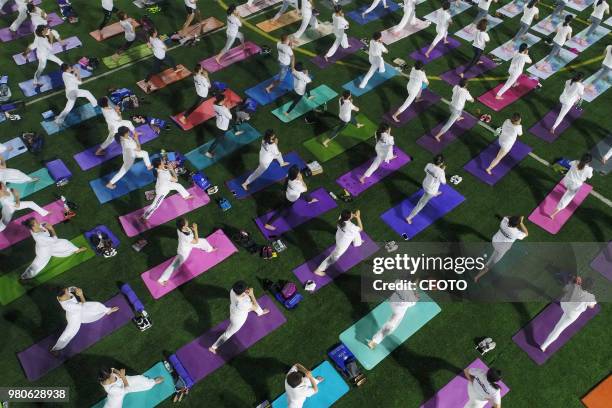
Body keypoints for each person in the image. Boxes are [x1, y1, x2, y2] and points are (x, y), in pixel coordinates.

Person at [50, 287, 119, 355]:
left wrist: (76, 289)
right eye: (66, 291)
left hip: (79, 311)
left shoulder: (62, 294)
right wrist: (81, 295)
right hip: (74, 318)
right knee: (68, 334)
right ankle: (56, 349)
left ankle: (108, 310)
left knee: (96, 305)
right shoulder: (68, 305)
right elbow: (85, 305)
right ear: (63, 295)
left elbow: (71, 288)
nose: (68, 291)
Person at [209, 281, 270, 354]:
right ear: (242, 292)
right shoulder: (244, 303)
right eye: (245, 289)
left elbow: (241, 296)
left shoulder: (232, 291)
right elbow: (255, 306)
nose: (247, 289)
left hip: (234, 310)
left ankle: (260, 312)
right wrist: (252, 295)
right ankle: (213, 347)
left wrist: (245, 293)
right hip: (238, 319)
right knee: (228, 333)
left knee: (249, 306)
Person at [540, 276, 597, 352]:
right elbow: (592, 306)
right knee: (558, 329)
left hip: (564, 305)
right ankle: (543, 346)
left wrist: (575, 282)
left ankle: (544, 346)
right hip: (571, 315)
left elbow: (566, 288)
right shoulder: (589, 297)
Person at [20, 218, 87, 280]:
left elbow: (42, 224)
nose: (38, 222)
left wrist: (45, 224)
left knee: (65, 242)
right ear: (33, 226)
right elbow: (55, 239)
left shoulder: (34, 228)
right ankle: (25, 276)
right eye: (36, 222)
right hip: (44, 253)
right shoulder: (39, 237)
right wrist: (51, 229)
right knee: (37, 266)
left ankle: (77, 250)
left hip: (48, 245)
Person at [157, 217, 215, 285]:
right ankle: (161, 280)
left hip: (188, 243)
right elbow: (196, 241)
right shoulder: (185, 236)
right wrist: (195, 230)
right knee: (175, 265)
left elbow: (188, 232)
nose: (187, 220)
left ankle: (210, 249)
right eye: (186, 221)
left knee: (203, 241)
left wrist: (191, 229)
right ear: (183, 226)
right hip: (184, 251)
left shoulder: (180, 228)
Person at [263, 165, 318, 231]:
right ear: (295, 175)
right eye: (298, 173)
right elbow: (305, 189)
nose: (299, 173)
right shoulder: (296, 184)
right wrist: (302, 180)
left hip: (289, 192)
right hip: (291, 199)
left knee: (302, 195)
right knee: (282, 210)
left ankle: (310, 200)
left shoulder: (288, 175)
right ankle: (268, 224)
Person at [474, 215, 528, 282]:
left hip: (494, 242)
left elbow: (506, 216)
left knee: (488, 256)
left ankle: (478, 267)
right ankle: (477, 277)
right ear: (517, 225)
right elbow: (526, 233)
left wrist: (515, 219)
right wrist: (521, 222)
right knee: (490, 264)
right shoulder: (516, 233)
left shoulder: (504, 222)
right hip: (500, 250)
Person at [367, 282, 419, 349]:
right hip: (398, 308)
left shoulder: (405, 287)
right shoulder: (411, 299)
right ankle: (375, 341)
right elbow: (414, 300)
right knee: (391, 325)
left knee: (392, 323)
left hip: (393, 300)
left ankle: (375, 340)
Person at [313, 209, 363, 276]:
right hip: (342, 244)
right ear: (349, 217)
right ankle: (318, 270)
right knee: (333, 257)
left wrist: (354, 215)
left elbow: (348, 218)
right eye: (351, 214)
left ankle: (357, 243)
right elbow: (361, 228)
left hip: (340, 236)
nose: (352, 214)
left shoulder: (341, 217)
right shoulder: (351, 227)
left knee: (355, 234)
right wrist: (358, 217)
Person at [549, 153, 593, 219]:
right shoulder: (589, 169)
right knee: (566, 199)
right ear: (589, 162)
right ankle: (553, 214)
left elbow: (569, 164)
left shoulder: (575, 162)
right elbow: (590, 177)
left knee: (569, 184)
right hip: (574, 186)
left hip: (566, 181)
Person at [405, 155, 446, 224]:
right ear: (441, 163)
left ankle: (435, 193)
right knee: (420, 204)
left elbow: (426, 170)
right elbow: (444, 182)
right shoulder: (441, 172)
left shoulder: (429, 165)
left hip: (425, 184)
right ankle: (409, 217)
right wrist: (442, 171)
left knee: (432, 192)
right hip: (430, 190)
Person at [99, 367, 164, 408]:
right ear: (107, 379)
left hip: (121, 381)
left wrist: (119, 373)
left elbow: (112, 369)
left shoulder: (106, 375)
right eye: (111, 376)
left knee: (139, 378)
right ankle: (154, 382)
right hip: (117, 397)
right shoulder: (112, 389)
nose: (112, 375)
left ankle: (151, 382)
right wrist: (123, 376)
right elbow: (127, 388)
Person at [144, 29, 183, 93]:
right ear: (154, 33)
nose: (157, 32)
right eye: (156, 31)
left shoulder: (150, 38)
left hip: (157, 55)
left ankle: (175, 69)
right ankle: (146, 81)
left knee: (170, 59)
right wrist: (162, 42)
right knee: (154, 70)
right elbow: (165, 48)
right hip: (160, 56)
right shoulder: (157, 41)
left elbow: (150, 45)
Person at [206, 93, 245, 159]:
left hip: (219, 121)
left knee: (231, 122)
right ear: (222, 100)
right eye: (225, 98)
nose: (225, 99)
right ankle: (208, 152)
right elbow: (230, 116)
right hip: (222, 126)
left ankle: (236, 131)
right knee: (218, 139)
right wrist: (228, 109)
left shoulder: (214, 104)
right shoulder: (224, 109)